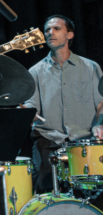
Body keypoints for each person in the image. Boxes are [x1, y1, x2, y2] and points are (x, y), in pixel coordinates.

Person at [23, 15, 103, 193]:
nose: (50, 33)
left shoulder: (91, 67)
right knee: (46, 193)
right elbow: (31, 106)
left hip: (84, 139)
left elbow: (101, 103)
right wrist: (26, 113)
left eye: (57, 29)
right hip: (48, 139)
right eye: (47, 30)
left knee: (91, 193)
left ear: (70, 35)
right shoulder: (34, 71)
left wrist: (100, 124)